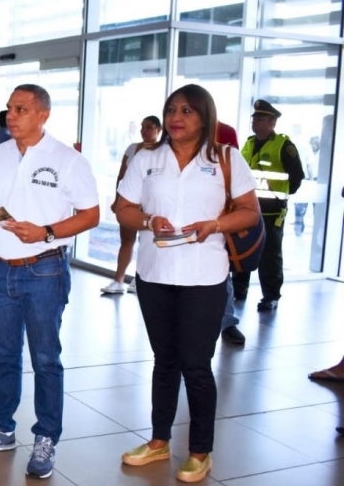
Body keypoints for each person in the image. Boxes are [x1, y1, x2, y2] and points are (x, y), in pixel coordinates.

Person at [115, 84, 260, 483]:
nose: (176, 118)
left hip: (204, 277)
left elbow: (250, 212)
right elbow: (122, 207)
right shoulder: (147, 158)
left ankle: (199, 451)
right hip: (154, 275)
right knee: (164, 362)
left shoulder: (226, 159)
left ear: (204, 117)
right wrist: (148, 220)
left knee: (196, 366)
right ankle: (159, 441)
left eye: (187, 111)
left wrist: (215, 224)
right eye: (171, 110)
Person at [0, 84, 99, 480]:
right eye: (9, 108)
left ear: (43, 115)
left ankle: (46, 437)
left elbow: (90, 214)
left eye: (21, 109)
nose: (11, 115)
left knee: (44, 359)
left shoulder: (67, 159)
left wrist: (47, 232)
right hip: (1, 268)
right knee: (4, 355)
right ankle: (1, 427)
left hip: (45, 269)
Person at [232, 100, 304, 312]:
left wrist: (280, 196)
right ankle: (239, 290)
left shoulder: (284, 146)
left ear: (272, 123)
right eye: (254, 118)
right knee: (242, 249)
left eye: (260, 119)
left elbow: (297, 177)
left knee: (270, 255)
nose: (255, 122)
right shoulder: (248, 143)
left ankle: (270, 296)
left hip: (271, 212)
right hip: (246, 210)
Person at [101, 115, 162, 295]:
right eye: (143, 127)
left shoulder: (162, 151)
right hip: (130, 202)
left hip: (150, 204)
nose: (144, 131)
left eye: (149, 127)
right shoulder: (132, 148)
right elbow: (122, 176)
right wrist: (117, 199)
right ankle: (118, 280)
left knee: (148, 242)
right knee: (126, 241)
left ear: (158, 130)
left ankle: (140, 279)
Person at [216, 122, 246, 345]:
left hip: (219, 219)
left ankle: (227, 321)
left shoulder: (225, 132)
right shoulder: (174, 132)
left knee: (221, 270)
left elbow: (233, 175)